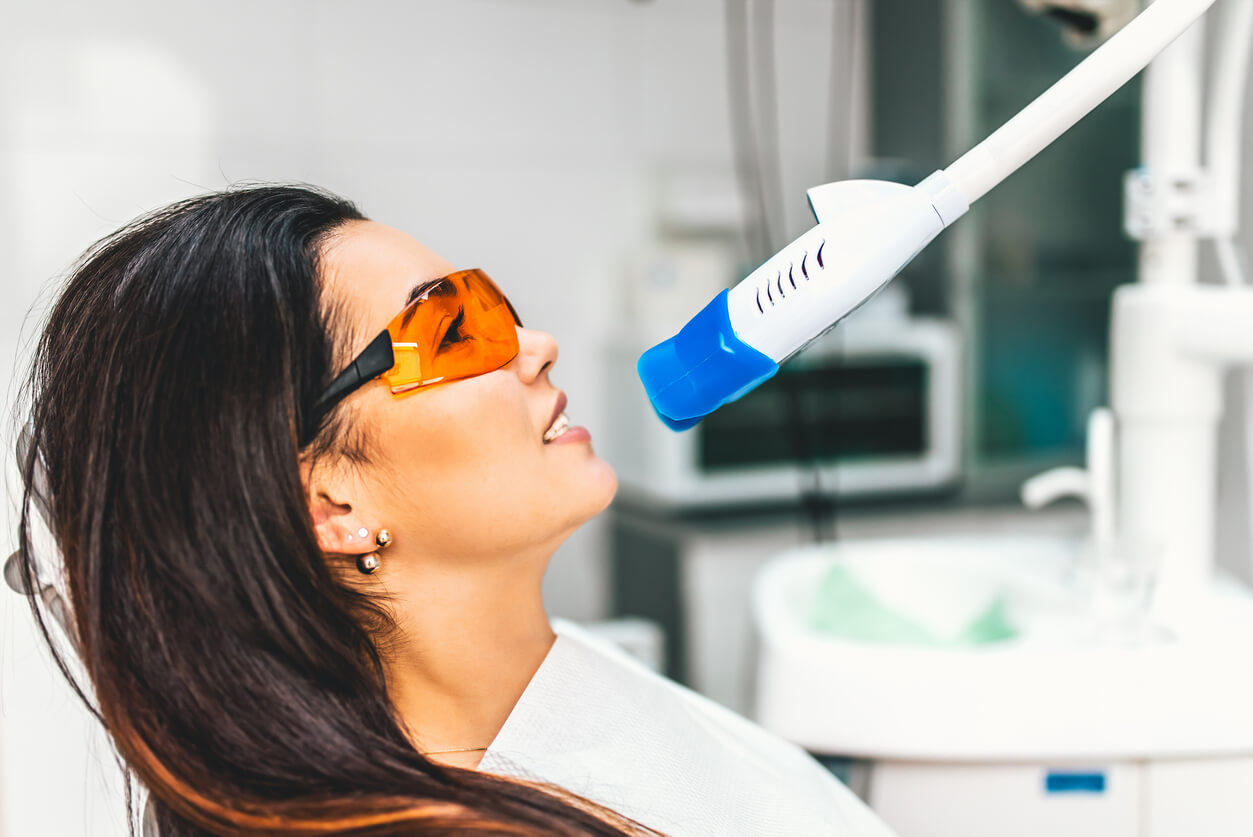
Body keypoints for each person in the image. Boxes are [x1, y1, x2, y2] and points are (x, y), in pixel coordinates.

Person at [15, 184, 896, 836]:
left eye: (494, 307)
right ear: (330, 502)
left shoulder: (546, 678)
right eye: (452, 329)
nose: (536, 346)